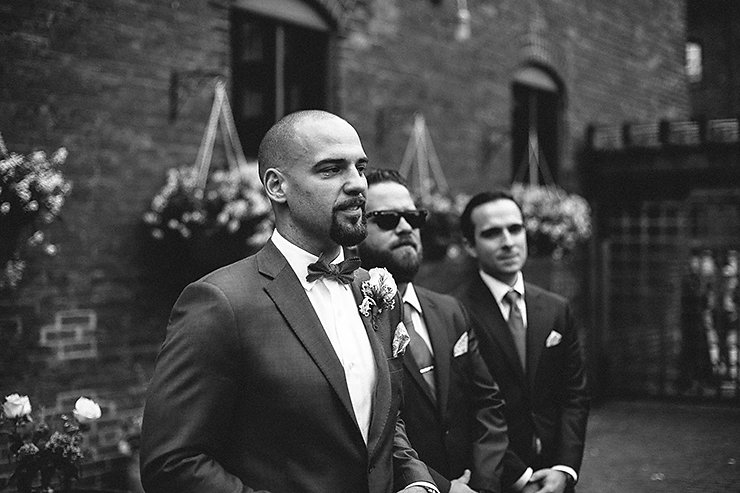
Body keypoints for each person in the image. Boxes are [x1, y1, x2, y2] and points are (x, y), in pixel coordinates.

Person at [140, 110, 439, 493]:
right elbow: (172, 464)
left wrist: (416, 482)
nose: (357, 185)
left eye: (360, 167)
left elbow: (383, 422)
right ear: (277, 186)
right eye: (331, 169)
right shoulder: (220, 302)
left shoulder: (377, 292)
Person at [357, 169, 509, 493]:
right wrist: (444, 488)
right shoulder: (350, 318)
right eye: (386, 219)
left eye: (414, 217)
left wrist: (482, 484)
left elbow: (488, 403)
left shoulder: (450, 310)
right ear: (356, 226)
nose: (405, 227)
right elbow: (368, 429)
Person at [454, 191, 590, 493]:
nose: (508, 241)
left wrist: (564, 468)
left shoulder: (556, 308)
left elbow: (574, 394)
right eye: (491, 233)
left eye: (515, 229)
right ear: (469, 245)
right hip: (498, 478)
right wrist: (521, 478)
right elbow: (464, 409)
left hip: (556, 475)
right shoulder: (456, 312)